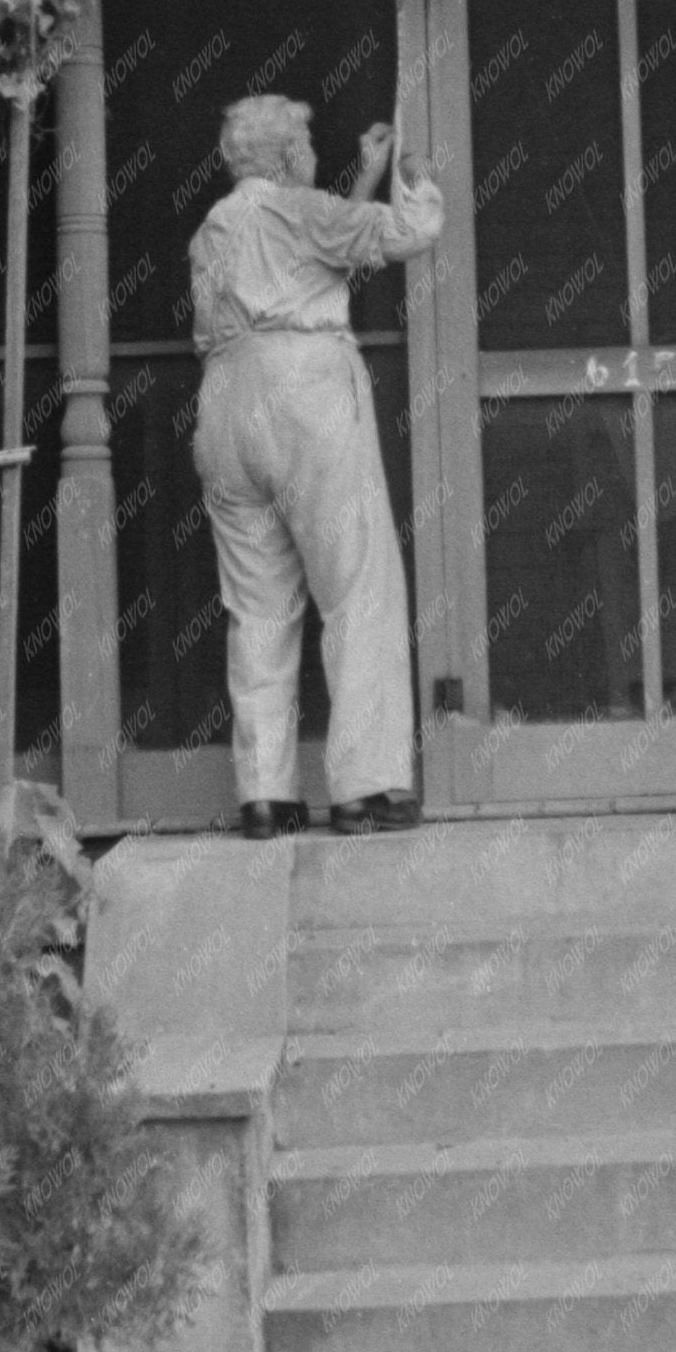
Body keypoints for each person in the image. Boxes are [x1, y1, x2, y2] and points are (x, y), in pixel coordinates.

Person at [188, 92, 446, 838]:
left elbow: (317, 253)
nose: (309, 149)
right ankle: (364, 787)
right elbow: (406, 232)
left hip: (227, 404)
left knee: (258, 605)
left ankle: (264, 794)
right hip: (303, 393)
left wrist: (361, 175)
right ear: (280, 157)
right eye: (301, 140)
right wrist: (414, 177)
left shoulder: (213, 228)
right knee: (356, 585)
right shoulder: (297, 210)